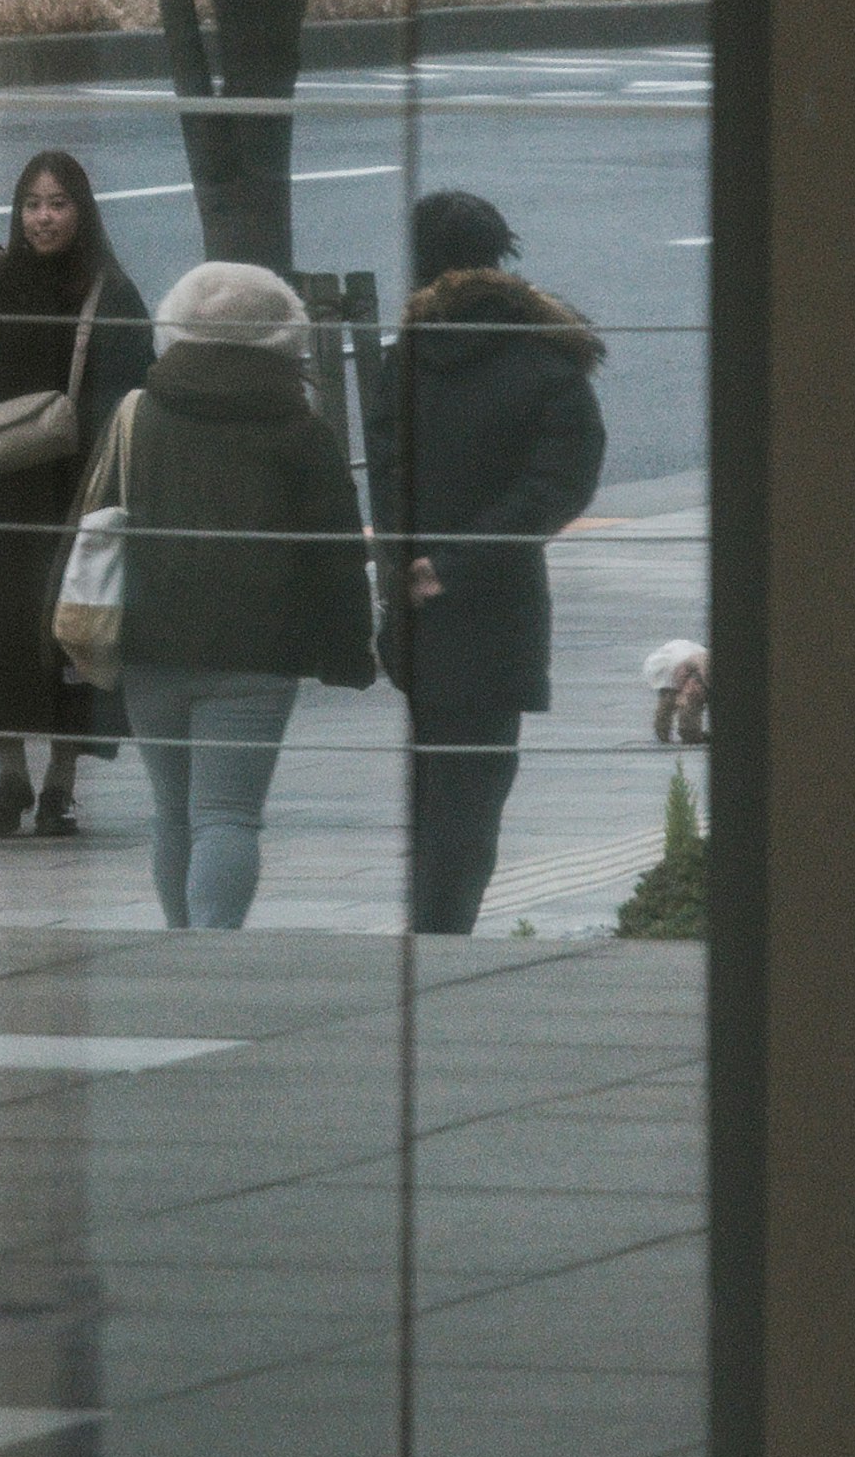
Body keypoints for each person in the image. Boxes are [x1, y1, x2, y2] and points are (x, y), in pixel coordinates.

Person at [91, 252, 376, 931]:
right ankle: (214, 953)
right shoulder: (297, 427)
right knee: (228, 814)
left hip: (150, 640)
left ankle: (179, 945)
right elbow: (335, 547)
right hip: (256, 652)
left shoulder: (139, 413)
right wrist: (351, 650)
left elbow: (96, 519)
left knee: (173, 809)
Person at [379, 186, 607, 934]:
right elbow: (557, 486)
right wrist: (461, 561)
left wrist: (412, 564)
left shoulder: (405, 359)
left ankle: (430, 929)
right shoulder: (545, 362)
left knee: (434, 787)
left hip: (413, 610)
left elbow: (387, 478)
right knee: (473, 797)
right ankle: (444, 934)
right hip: (497, 606)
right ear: (501, 256)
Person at [0, 149, 151, 839]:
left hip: (79, 493)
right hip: (4, 491)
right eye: (32, 204)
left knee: (75, 634)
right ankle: (11, 777)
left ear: (82, 211)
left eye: (58, 204)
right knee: (4, 636)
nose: (42, 218)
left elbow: (135, 390)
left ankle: (61, 784)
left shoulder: (110, 292)